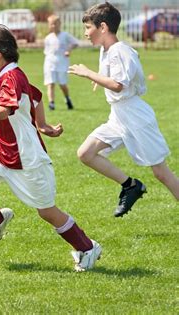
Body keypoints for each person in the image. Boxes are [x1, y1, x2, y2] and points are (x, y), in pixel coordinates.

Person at [0, 24, 101, 272]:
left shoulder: (11, 76)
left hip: (26, 157)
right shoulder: (7, 74)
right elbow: (35, 96)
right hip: (1, 150)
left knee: (47, 212)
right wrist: (43, 124)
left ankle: (87, 248)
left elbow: (5, 109)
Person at [68, 2, 179, 217]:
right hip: (118, 116)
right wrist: (99, 79)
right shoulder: (106, 49)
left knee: (161, 173)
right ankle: (130, 186)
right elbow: (112, 78)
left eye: (88, 27)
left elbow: (119, 85)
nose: (85, 33)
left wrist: (88, 73)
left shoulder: (120, 51)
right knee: (86, 153)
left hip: (136, 116)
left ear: (102, 27)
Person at [43, 14, 79, 111]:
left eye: (55, 24)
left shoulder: (65, 35)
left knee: (62, 84)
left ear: (60, 24)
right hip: (50, 63)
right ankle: (51, 103)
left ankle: (67, 99)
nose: (53, 26)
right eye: (51, 24)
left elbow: (75, 43)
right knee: (50, 83)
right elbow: (47, 52)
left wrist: (69, 50)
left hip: (62, 62)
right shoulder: (48, 38)